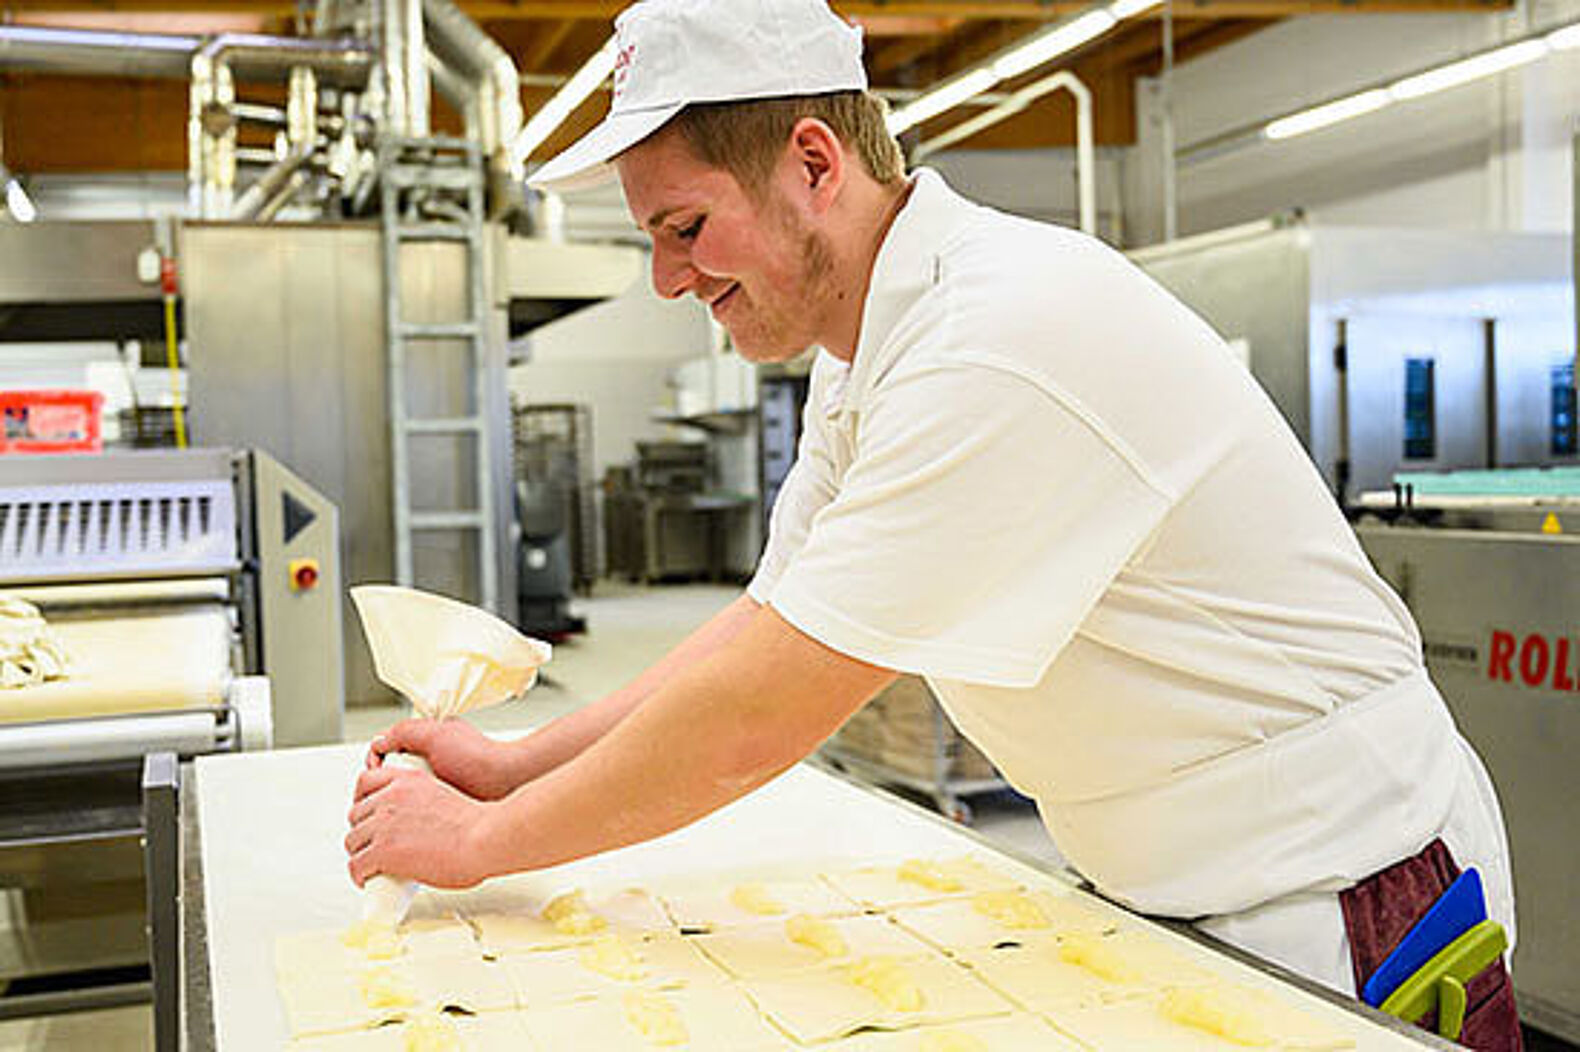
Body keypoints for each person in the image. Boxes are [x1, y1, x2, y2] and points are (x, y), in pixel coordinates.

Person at [347, 0, 1520, 1044]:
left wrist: (479, 844)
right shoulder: (863, 357)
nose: (665, 278)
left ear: (812, 162)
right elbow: (765, 624)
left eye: (684, 227)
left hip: (1345, 894)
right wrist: (508, 766)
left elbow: (762, 712)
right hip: (1184, 882)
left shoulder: (993, 337)